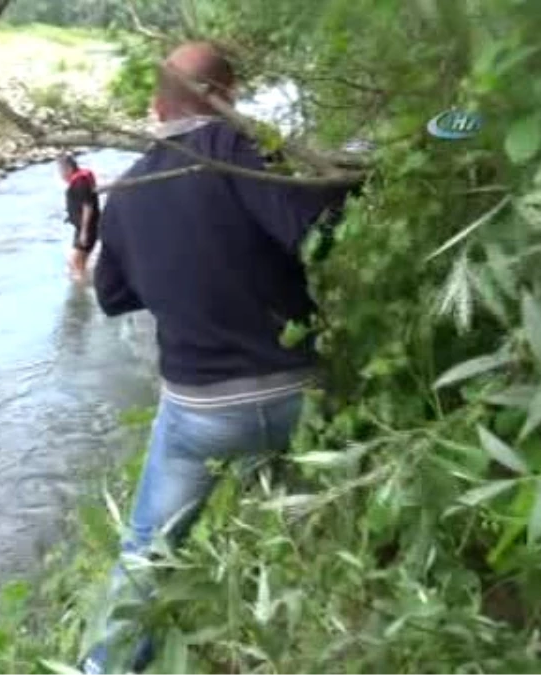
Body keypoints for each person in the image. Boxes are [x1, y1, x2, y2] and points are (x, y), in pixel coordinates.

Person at [80, 42, 357, 674]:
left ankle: (108, 668)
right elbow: (317, 231)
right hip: (299, 393)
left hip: (203, 411)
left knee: (147, 549)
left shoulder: (130, 187)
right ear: (227, 97)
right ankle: (322, 608)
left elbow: (114, 296)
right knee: (308, 492)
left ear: (156, 108)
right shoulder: (250, 155)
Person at [58, 154, 100, 281]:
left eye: (61, 170)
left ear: (69, 168)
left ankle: (82, 290)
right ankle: (84, 282)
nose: (60, 175)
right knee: (76, 263)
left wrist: (84, 232)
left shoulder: (80, 183)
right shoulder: (80, 180)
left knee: (76, 263)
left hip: (87, 228)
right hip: (83, 228)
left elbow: (88, 206)